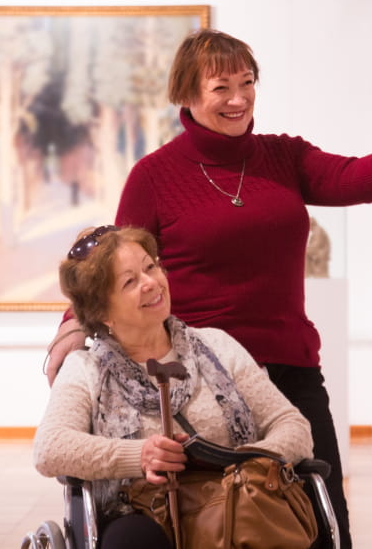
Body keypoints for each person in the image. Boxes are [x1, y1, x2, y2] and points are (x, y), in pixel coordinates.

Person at [43, 29, 372, 548]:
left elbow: (346, 177)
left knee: (323, 521)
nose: (238, 98)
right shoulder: (155, 176)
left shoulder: (281, 157)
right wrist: (72, 329)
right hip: (198, 369)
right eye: (221, 87)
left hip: (288, 364)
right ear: (187, 95)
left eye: (247, 82)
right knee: (207, 518)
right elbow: (120, 268)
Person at [34, 225, 314, 549]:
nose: (151, 282)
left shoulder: (217, 345)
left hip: (236, 502)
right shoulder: (86, 369)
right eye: (130, 281)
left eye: (150, 267)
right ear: (102, 312)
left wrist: (253, 465)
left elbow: (291, 425)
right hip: (140, 514)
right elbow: (49, 448)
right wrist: (141, 455)